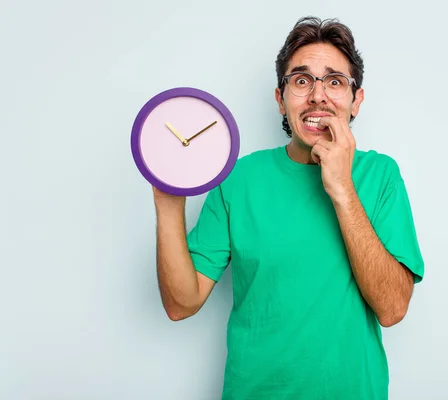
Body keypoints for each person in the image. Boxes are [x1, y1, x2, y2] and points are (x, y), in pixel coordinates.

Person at [153, 16, 425, 400]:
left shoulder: (381, 175)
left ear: (356, 101)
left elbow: (393, 308)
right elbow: (181, 303)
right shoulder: (238, 178)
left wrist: (343, 189)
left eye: (334, 81)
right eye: (301, 81)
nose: (317, 96)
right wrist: (167, 203)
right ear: (281, 100)